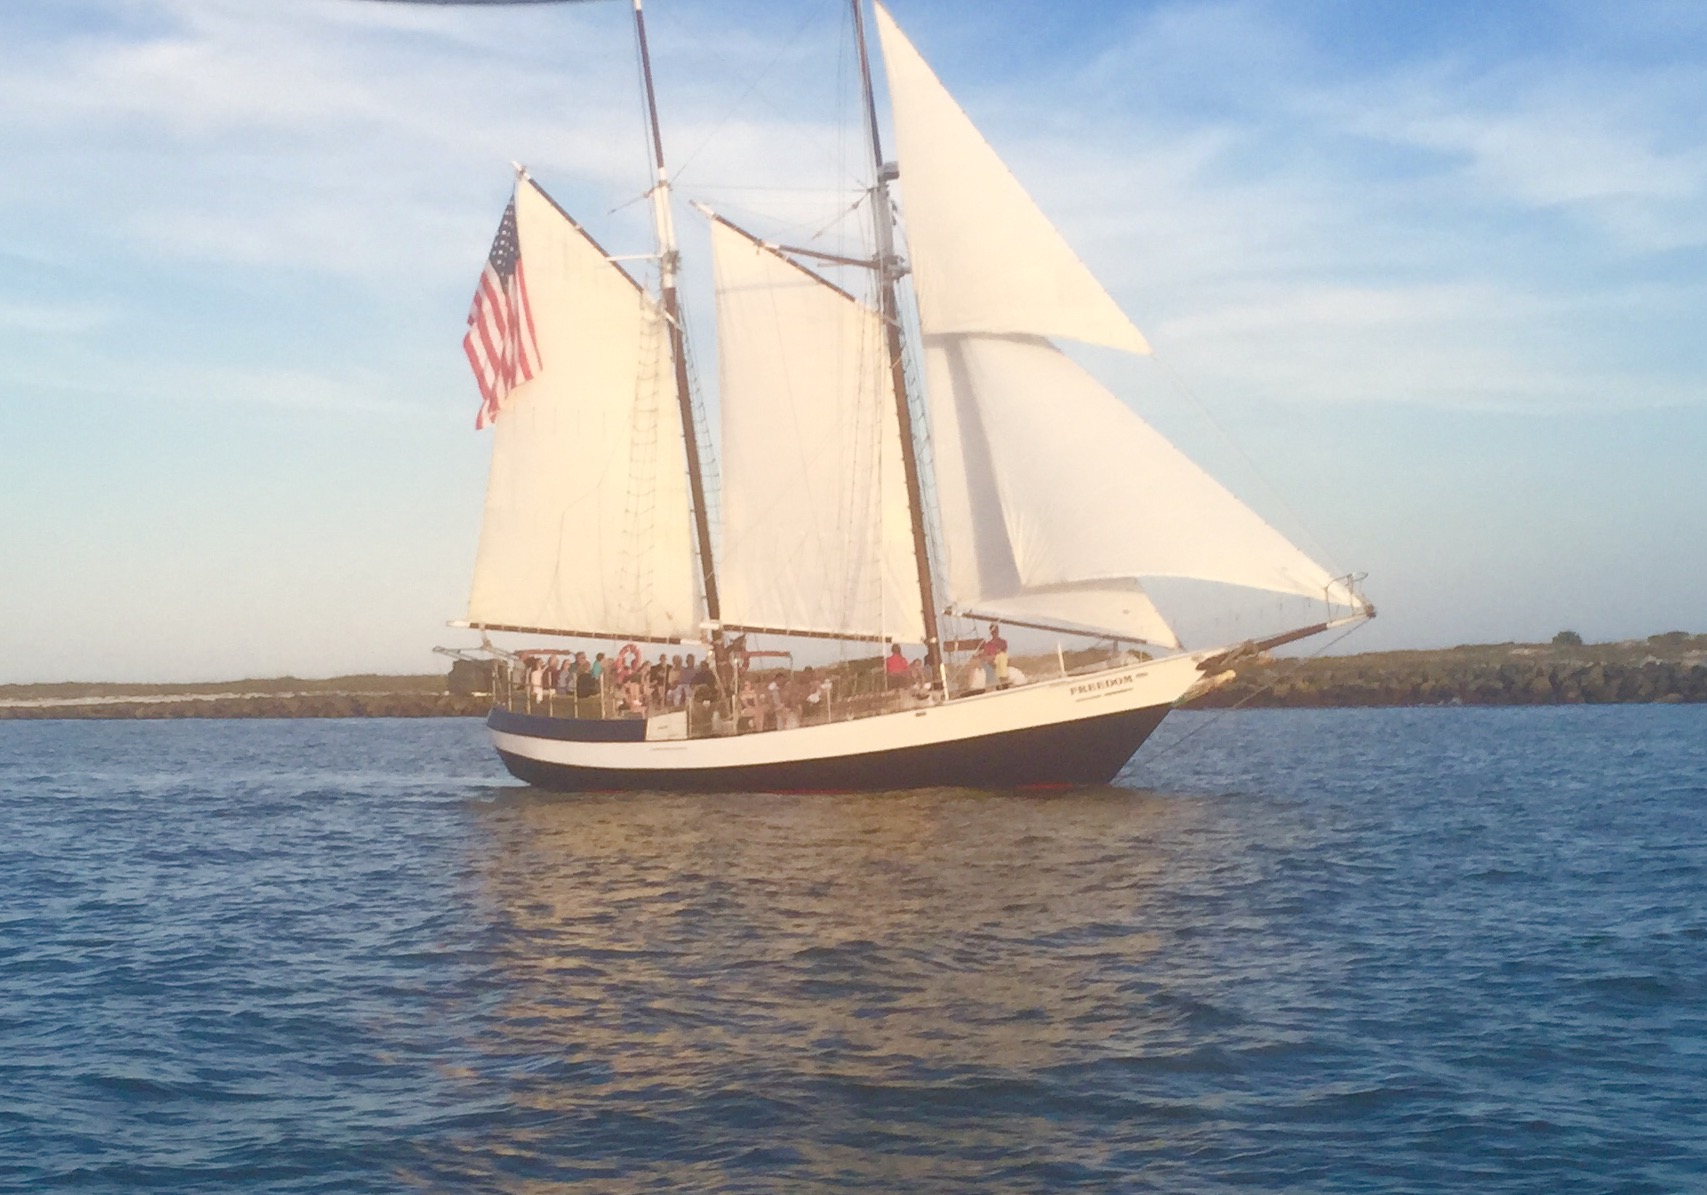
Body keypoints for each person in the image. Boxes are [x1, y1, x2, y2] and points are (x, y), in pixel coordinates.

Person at [974, 623, 1009, 690]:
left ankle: (1003, 680)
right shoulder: (988, 645)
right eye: (993, 631)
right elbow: (985, 656)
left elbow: (1003, 652)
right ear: (990, 632)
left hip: (999, 661)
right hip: (991, 662)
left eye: (995, 631)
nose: (994, 633)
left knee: (1001, 657)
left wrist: (995, 655)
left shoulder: (1002, 642)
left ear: (998, 631)